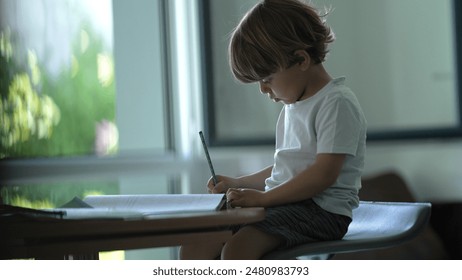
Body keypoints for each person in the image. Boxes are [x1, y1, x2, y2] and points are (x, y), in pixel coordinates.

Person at [180, 0, 367, 260]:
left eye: (267, 79)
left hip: (321, 212)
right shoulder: (293, 107)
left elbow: (322, 175)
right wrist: (238, 183)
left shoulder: (337, 103)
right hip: (287, 205)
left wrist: (264, 199)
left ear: (301, 59)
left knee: (237, 250)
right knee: (197, 244)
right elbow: (287, 170)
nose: (263, 89)